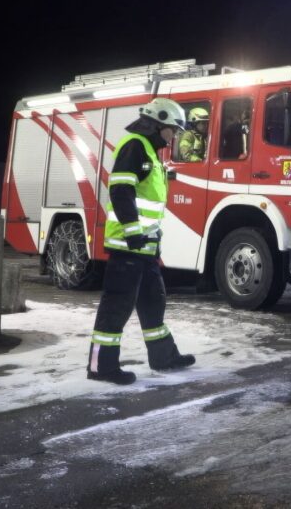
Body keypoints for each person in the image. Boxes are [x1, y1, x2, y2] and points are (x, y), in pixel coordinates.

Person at [87, 98, 196, 384]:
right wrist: (133, 231)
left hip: (144, 249)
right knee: (117, 307)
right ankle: (101, 367)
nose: (174, 136)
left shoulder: (150, 151)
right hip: (127, 247)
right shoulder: (135, 146)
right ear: (158, 124)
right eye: (172, 129)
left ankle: (164, 357)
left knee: (153, 303)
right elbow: (121, 191)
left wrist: (150, 238)